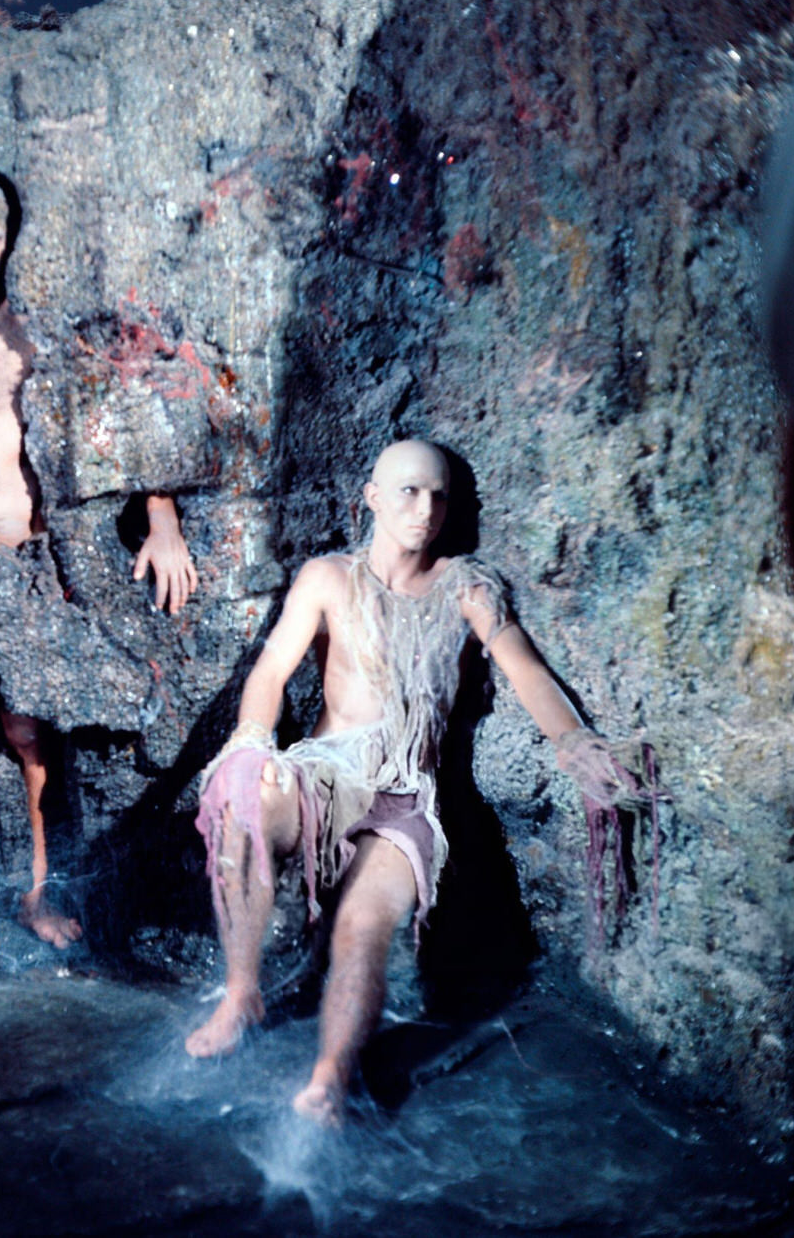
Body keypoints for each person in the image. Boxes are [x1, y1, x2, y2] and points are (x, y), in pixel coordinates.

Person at [184, 439, 640, 1126]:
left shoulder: (466, 586)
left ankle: (332, 1076)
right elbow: (271, 671)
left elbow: (524, 668)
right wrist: (253, 741)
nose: (425, 509)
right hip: (329, 771)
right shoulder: (328, 578)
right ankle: (241, 992)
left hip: (405, 794)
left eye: (438, 495)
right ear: (370, 497)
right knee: (245, 800)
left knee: (364, 925)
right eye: (407, 491)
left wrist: (573, 740)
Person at [0, 174, 198, 963]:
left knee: (29, 737)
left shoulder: (32, 337)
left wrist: (161, 517)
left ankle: (29, 894)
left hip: (25, 561)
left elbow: (114, 413)